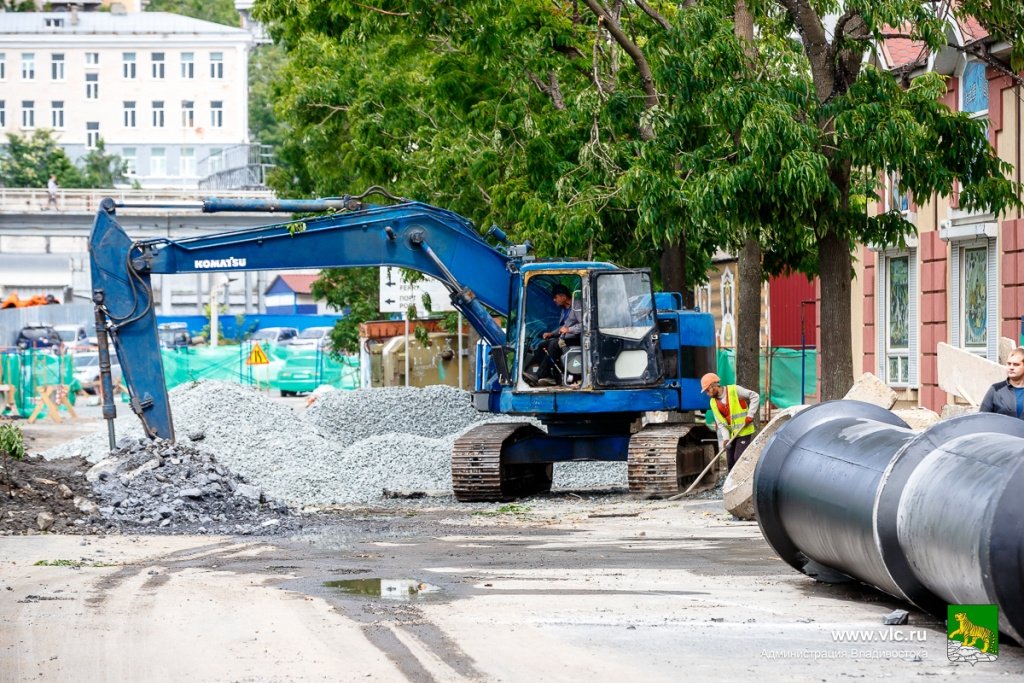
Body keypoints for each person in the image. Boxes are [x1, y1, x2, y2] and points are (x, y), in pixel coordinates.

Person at [523, 283, 581, 386]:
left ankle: (539, 375)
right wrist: (551, 333)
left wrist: (569, 329)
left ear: (563, 296)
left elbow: (585, 325)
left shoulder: (577, 306)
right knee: (542, 345)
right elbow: (562, 327)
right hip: (566, 337)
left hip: (576, 338)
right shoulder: (564, 310)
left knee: (554, 344)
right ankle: (547, 375)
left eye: (555, 297)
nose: (554, 300)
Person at [701, 372, 759, 470]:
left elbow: (755, 396)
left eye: (707, 390)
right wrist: (726, 439)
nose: (707, 394)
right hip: (732, 435)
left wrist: (750, 415)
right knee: (730, 463)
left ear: (713, 386)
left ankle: (743, 480)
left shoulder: (734, 390)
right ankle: (731, 484)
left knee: (738, 459)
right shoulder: (713, 403)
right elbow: (721, 424)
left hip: (744, 431)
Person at [979, 347, 1024, 418]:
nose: (1011, 367)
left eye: (1016, 364)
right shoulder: (996, 389)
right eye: (1009, 364)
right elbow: (982, 418)